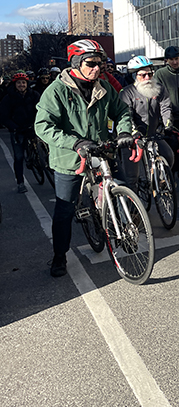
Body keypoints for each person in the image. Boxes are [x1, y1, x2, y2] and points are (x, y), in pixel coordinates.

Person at [35, 39, 134, 278]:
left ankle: (121, 231)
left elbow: (121, 111)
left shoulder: (104, 87)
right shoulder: (57, 90)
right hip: (71, 160)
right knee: (64, 210)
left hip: (100, 151)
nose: (97, 68)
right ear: (77, 63)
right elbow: (42, 126)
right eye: (91, 63)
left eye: (100, 63)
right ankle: (59, 256)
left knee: (121, 187)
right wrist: (75, 142)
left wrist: (123, 130)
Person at [119, 56, 175, 190]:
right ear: (134, 76)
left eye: (150, 74)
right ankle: (132, 207)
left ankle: (161, 180)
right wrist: (133, 132)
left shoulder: (159, 89)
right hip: (134, 137)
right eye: (142, 75)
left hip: (153, 134)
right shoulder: (126, 93)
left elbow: (166, 107)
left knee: (168, 155)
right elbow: (126, 115)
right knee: (131, 175)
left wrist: (168, 125)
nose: (147, 78)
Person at [0, 72, 41, 193]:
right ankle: (20, 182)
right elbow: (4, 116)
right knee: (18, 157)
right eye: (19, 83)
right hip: (18, 129)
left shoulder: (34, 95)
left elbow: (41, 109)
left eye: (23, 82)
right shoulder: (8, 98)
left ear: (27, 84)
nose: (21, 85)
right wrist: (13, 127)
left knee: (44, 150)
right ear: (15, 84)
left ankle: (41, 163)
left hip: (33, 127)